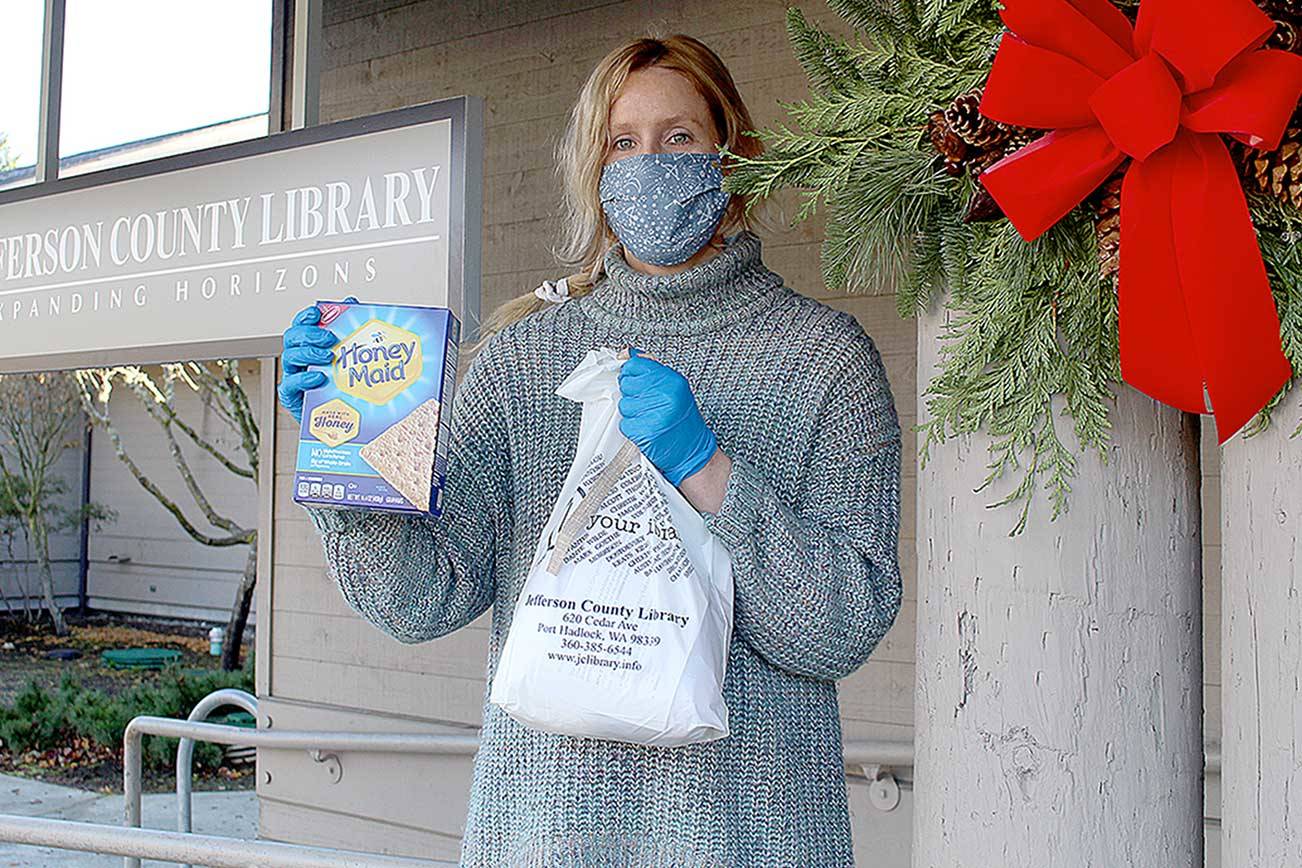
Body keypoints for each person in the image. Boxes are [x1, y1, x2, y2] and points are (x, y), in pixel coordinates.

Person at [277, 33, 902, 868]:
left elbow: (841, 631)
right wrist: (344, 444)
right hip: (543, 834)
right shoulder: (524, 360)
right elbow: (420, 599)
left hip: (750, 836)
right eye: (624, 141)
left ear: (733, 154)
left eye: (680, 137)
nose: (651, 162)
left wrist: (710, 473)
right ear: (596, 170)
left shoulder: (823, 358)